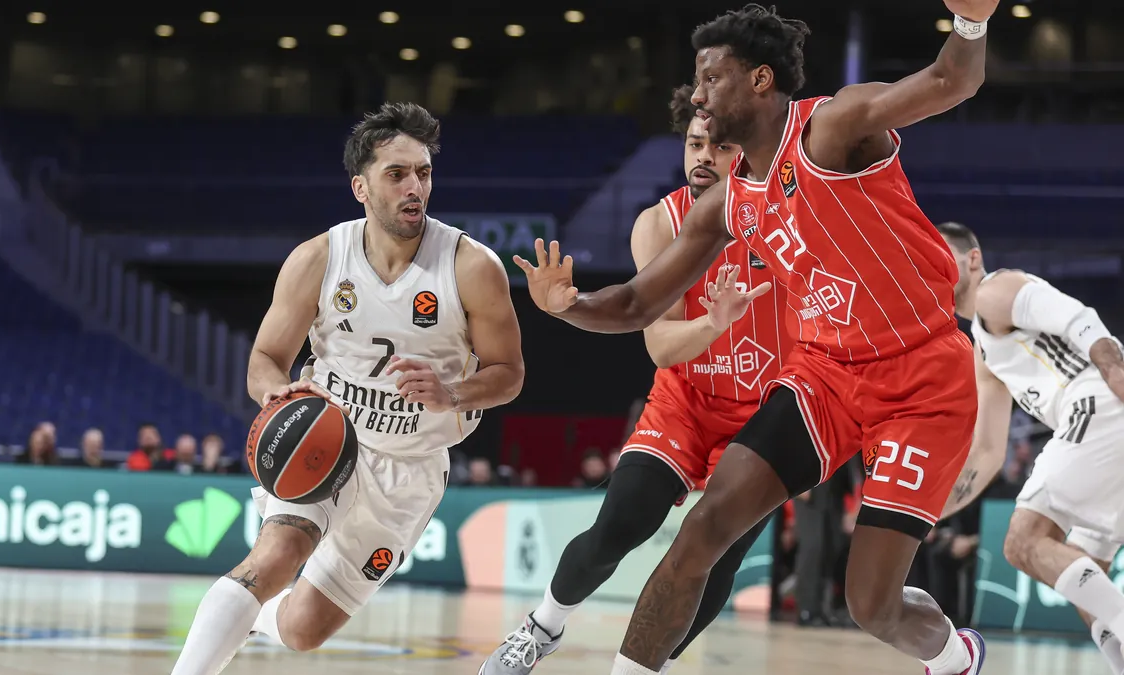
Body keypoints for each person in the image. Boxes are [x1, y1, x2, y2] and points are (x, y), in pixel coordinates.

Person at [513, 3, 997, 674]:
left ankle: (954, 655)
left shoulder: (832, 128)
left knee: (871, 604)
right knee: (703, 527)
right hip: (826, 375)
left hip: (922, 380)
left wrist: (971, 22)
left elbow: (951, 81)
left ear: (761, 80)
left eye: (711, 78)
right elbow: (636, 302)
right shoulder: (727, 204)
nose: (698, 96)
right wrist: (568, 306)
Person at [169, 102, 526, 674]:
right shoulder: (318, 258)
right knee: (275, 557)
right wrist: (274, 392)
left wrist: (452, 393)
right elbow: (265, 359)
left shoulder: (471, 266)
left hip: (408, 468)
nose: (414, 188)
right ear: (360, 187)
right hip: (325, 439)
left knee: (303, 629)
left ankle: (256, 618)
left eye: (423, 173)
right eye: (397, 174)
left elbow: (509, 373)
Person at [480, 85, 788, 675]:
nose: (704, 156)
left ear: (747, 150)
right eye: (694, 144)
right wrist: (713, 323)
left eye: (721, 146)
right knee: (618, 526)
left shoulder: (782, 219)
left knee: (716, 557)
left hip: (763, 415)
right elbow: (661, 345)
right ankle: (541, 628)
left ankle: (650, 663)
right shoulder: (659, 224)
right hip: (685, 401)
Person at [936, 221, 1124, 674]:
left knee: (1023, 543)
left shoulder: (994, 291)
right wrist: (923, 511)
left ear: (973, 259)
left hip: (1097, 401)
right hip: (1102, 425)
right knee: (1086, 580)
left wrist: (1114, 370)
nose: (930, 267)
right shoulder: (983, 350)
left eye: (940, 255)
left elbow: (1080, 318)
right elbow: (987, 454)